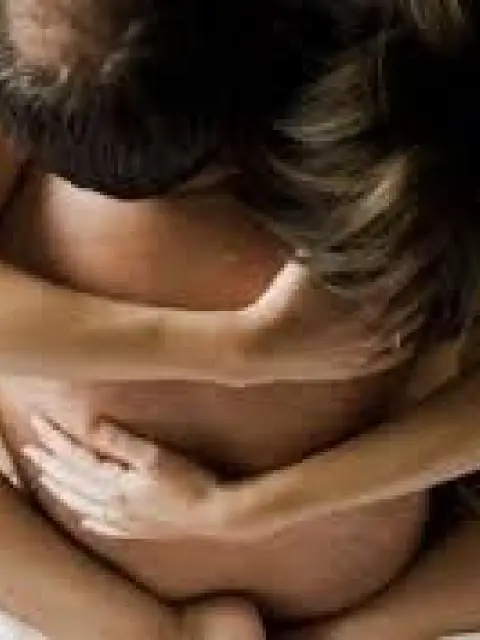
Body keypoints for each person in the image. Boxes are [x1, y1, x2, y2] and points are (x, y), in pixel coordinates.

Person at [0, 0, 478, 637]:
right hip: (344, 567)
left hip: (94, 551)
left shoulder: (390, 179)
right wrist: (240, 355)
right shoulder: (390, 172)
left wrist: (236, 506)